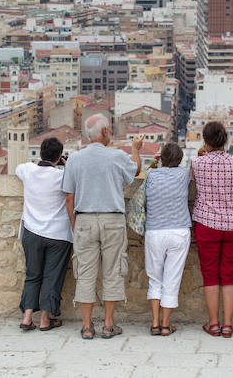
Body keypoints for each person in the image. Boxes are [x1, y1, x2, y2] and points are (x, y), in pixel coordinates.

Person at [62, 114, 143, 340]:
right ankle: (108, 324)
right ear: (105, 132)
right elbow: (135, 171)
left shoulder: (75, 159)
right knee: (113, 271)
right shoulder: (116, 156)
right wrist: (135, 148)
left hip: (85, 220)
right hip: (112, 220)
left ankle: (87, 326)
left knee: (85, 273)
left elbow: (69, 196)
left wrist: (73, 223)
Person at [192, 121, 233, 339]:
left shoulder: (197, 163)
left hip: (207, 224)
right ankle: (228, 325)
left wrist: (202, 154)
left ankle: (213, 324)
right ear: (225, 140)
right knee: (230, 275)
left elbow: (193, 182)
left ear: (205, 140)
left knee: (210, 275)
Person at [15, 137, 73, 332]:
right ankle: (46, 320)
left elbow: (19, 169)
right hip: (58, 234)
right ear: (59, 157)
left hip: (32, 231)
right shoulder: (61, 176)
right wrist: (65, 165)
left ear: (40, 153)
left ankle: (27, 316)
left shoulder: (28, 171)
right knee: (52, 276)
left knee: (33, 275)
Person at [143, 142, 191, 337]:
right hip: (178, 231)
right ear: (180, 159)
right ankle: (165, 324)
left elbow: (143, 178)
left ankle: (154, 323)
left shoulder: (151, 175)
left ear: (161, 158)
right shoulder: (184, 174)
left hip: (155, 231)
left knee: (155, 278)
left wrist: (154, 163)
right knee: (172, 279)